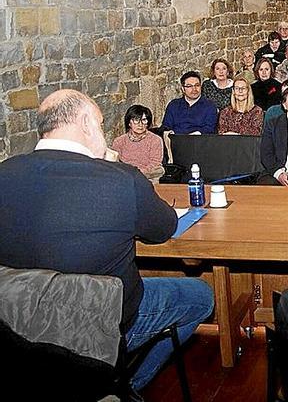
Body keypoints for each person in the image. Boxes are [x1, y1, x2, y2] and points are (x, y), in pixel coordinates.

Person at [0, 90, 214, 393]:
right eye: (101, 125)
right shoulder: (121, 179)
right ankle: (127, 386)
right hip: (104, 322)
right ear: (86, 123)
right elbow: (163, 228)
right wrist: (111, 165)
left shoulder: (5, 173)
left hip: (17, 327)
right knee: (201, 296)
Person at [111, 104, 164, 180]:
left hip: (147, 176)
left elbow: (155, 163)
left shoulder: (155, 140)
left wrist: (138, 173)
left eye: (144, 120)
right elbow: (115, 162)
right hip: (125, 176)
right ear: (129, 123)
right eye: (136, 120)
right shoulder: (119, 141)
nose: (140, 124)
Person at [161, 70, 218, 135]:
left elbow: (210, 129)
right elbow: (166, 126)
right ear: (183, 89)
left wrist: (195, 134)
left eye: (197, 85)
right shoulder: (173, 105)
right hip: (176, 141)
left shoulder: (210, 106)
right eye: (189, 86)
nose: (194, 89)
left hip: (199, 141)